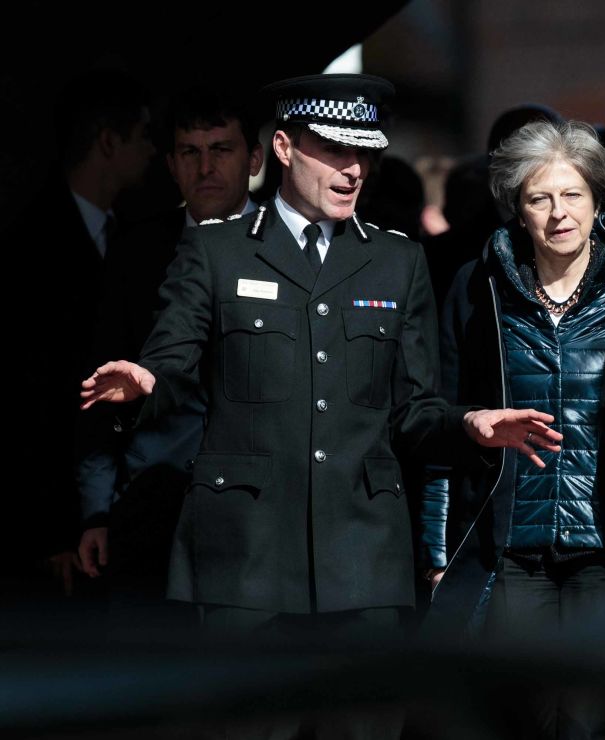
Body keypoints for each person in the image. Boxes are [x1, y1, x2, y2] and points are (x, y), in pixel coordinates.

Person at [79, 74, 562, 632]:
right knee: (249, 723)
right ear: (283, 148)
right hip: (247, 561)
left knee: (365, 721)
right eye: (333, 149)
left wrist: (469, 424)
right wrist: (146, 383)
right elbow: (173, 360)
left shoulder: (397, 261)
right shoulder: (217, 250)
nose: (352, 168)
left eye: (362, 152)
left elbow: (413, 411)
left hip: (364, 560)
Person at [425, 119, 605, 633]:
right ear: (517, 209)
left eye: (572, 194)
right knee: (521, 709)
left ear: (597, 202)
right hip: (507, 549)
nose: (559, 213)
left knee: (594, 708)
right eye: (540, 199)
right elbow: (442, 424)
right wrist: (438, 555)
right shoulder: (477, 288)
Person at [76, 87, 264, 610]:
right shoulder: (136, 251)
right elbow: (99, 377)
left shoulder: (287, 245)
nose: (206, 167)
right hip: (152, 500)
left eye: (221, 150)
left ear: (254, 159)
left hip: (259, 510)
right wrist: (96, 511)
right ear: (171, 165)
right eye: (190, 152)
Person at [5, 69, 154, 598]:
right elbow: (28, 398)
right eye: (144, 137)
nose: (153, 152)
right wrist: (50, 528)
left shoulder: (126, 236)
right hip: (56, 528)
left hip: (103, 515)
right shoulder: (35, 248)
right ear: (109, 142)